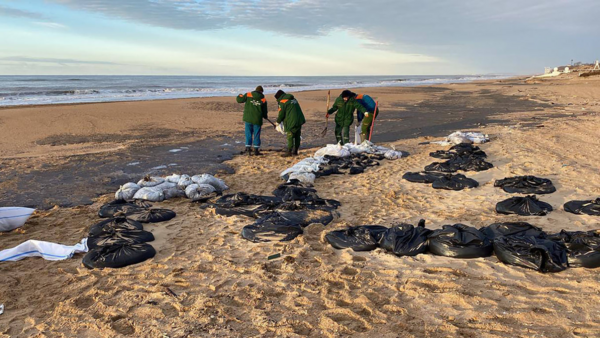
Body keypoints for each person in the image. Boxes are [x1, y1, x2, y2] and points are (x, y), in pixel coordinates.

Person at [236, 86, 268, 156]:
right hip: (257, 119)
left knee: (248, 133)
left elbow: (239, 100)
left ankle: (248, 148)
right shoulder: (263, 99)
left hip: (248, 118)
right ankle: (256, 150)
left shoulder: (248, 95)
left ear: (255, 90)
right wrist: (265, 116)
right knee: (257, 134)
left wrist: (239, 95)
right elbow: (264, 111)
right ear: (261, 92)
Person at [275, 90, 306, 157]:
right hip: (299, 119)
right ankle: (295, 151)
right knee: (297, 135)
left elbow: (281, 114)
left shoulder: (283, 102)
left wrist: (278, 122)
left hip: (292, 121)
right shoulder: (293, 99)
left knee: (290, 136)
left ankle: (289, 151)